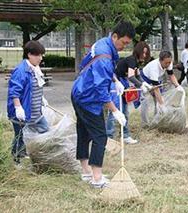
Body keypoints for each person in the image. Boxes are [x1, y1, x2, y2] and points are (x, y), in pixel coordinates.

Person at [71, 21, 135, 188]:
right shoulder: (105, 56)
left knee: (84, 132)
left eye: (128, 44)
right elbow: (100, 90)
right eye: (124, 43)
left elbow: (99, 68)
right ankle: (97, 178)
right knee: (100, 136)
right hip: (87, 97)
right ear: (115, 36)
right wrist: (115, 111)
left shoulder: (103, 44)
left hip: (79, 90)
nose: (124, 46)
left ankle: (86, 171)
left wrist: (115, 81)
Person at [7, 40, 49, 166]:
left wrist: (41, 98)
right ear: (29, 54)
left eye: (42, 55)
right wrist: (18, 107)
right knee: (20, 137)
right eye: (38, 55)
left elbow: (35, 87)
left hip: (36, 111)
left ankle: (35, 154)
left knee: (45, 130)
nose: (40, 58)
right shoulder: (21, 71)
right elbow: (14, 91)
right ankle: (17, 160)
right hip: (23, 112)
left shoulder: (35, 69)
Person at [106, 41, 153, 144]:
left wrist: (145, 83)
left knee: (125, 111)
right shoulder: (131, 60)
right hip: (115, 82)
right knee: (114, 111)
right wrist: (140, 85)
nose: (144, 55)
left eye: (146, 53)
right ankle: (108, 138)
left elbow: (138, 75)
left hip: (123, 83)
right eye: (143, 53)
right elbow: (131, 77)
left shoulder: (136, 62)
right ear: (138, 52)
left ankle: (125, 135)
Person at [140, 50, 185, 126]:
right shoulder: (154, 68)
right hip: (144, 80)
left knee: (158, 100)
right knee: (146, 101)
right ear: (160, 60)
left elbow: (171, 75)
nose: (168, 64)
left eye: (169, 62)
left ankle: (156, 121)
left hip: (156, 80)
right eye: (166, 63)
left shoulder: (168, 62)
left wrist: (178, 86)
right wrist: (162, 104)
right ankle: (145, 124)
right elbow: (156, 89)